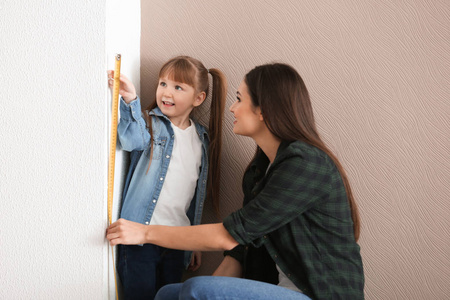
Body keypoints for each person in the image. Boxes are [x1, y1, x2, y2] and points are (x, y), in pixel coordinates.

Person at [107, 63, 365, 300]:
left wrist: (144, 232)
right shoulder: (259, 171)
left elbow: (230, 235)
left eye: (240, 100)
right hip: (276, 289)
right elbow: (241, 248)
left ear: (263, 110)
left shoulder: (305, 164)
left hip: (320, 295)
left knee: (196, 290)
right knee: (169, 295)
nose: (232, 108)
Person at [107, 56, 227, 300]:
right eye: (163, 84)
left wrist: (193, 239)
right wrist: (129, 99)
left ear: (198, 98)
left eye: (178, 87)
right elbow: (131, 140)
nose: (166, 92)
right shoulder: (151, 125)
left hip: (177, 242)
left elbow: (194, 197)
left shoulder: (202, 139)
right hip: (139, 238)